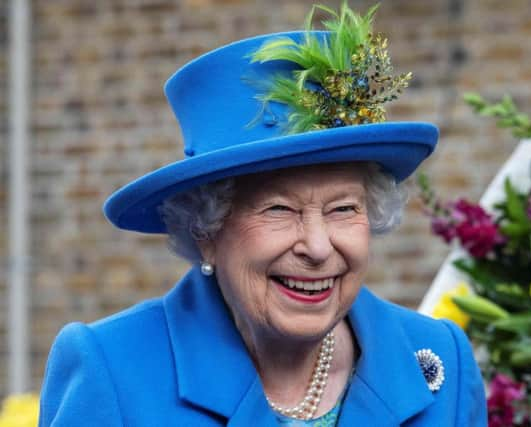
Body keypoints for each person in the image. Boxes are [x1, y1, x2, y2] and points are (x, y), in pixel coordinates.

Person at [39, 3, 486, 426]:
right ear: (205, 229)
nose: (316, 246)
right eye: (279, 209)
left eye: (343, 208)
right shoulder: (112, 369)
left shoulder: (438, 359)